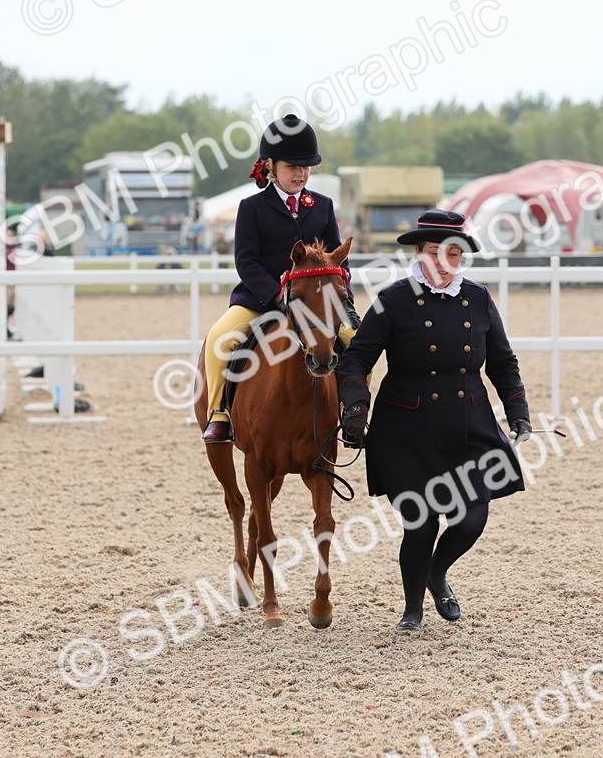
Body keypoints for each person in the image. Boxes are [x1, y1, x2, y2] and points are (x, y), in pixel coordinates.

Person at [335, 211, 531, 632]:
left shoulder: (477, 298)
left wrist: (518, 410)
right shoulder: (393, 298)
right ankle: (412, 610)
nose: (445, 261)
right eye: (434, 252)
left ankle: (436, 573)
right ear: (419, 254)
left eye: (454, 253)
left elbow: (502, 361)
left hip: (469, 423)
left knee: (470, 520)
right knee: (420, 525)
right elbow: (356, 358)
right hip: (406, 429)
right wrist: (354, 405)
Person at [200, 114, 357, 443]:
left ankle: (354, 411)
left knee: (357, 339)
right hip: (261, 299)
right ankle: (219, 412)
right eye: (291, 166)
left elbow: (337, 263)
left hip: (317, 301)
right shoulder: (252, 207)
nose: (300, 174)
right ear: (270, 166)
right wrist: (278, 295)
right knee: (220, 339)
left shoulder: (323, 205)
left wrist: (345, 301)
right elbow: (246, 261)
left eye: (306, 167)